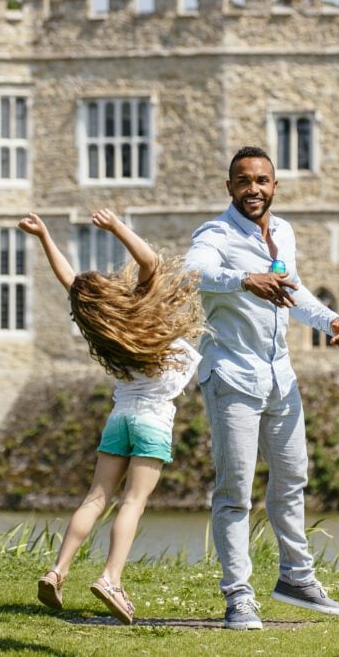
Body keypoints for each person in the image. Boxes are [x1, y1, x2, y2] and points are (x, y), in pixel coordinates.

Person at [184, 145, 339, 630]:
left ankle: (297, 579)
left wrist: (330, 320)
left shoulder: (283, 232)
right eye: (243, 181)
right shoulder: (214, 234)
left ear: (274, 186)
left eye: (261, 180)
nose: (253, 189)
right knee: (235, 492)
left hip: (281, 377)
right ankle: (239, 598)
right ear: (229, 187)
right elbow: (191, 272)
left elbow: (292, 291)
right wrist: (243, 280)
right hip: (232, 376)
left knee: (292, 478)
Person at [21, 209, 204, 625]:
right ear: (109, 293)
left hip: (120, 417)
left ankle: (58, 570)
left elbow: (70, 283)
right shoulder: (139, 312)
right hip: (153, 420)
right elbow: (150, 263)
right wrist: (117, 227)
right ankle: (111, 578)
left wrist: (45, 236)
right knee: (133, 502)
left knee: (96, 498)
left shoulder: (101, 327)